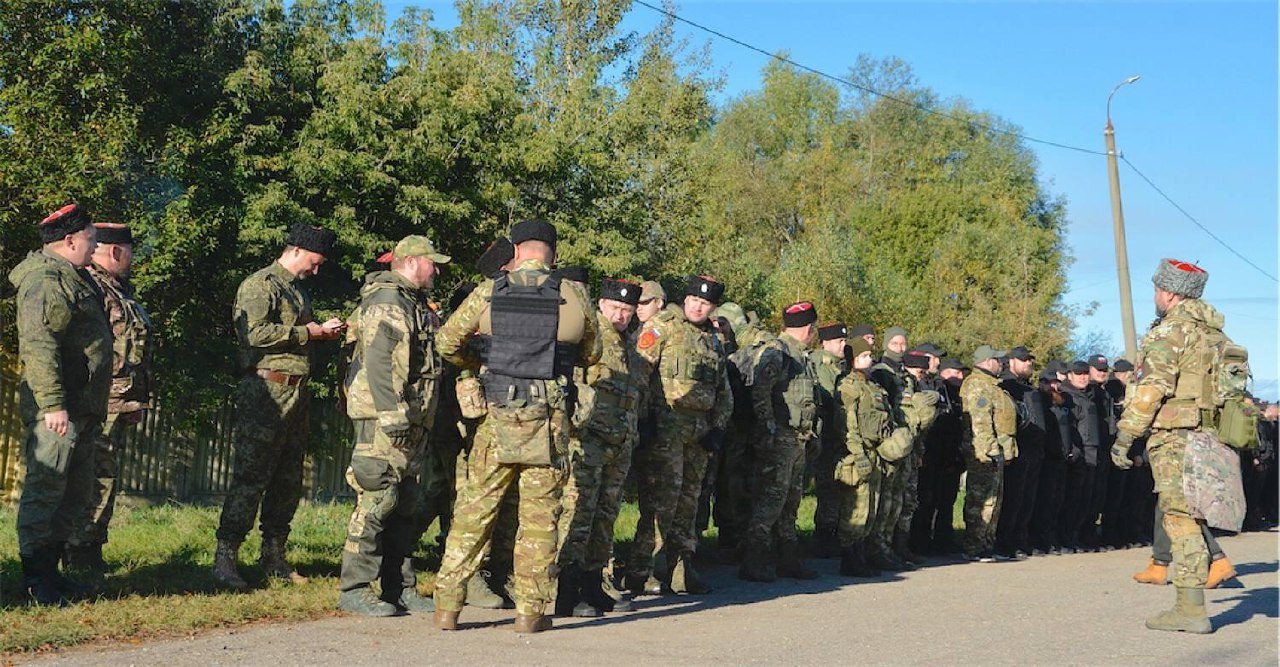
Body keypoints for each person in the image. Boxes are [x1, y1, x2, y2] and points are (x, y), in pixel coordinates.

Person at [431, 219, 600, 633]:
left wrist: (484, 359)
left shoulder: (490, 290)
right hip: (548, 421)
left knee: (474, 513)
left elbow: (445, 341)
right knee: (540, 520)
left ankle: (448, 610)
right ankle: (529, 614)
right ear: (553, 254)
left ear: (516, 250)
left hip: (497, 417)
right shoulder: (572, 293)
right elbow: (593, 353)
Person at [214, 223, 342, 591]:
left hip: (297, 393)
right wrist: (309, 333)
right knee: (251, 476)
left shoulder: (297, 290)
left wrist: (321, 332)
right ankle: (226, 557)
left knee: (288, 479)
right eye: (315, 263)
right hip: (265, 392)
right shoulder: (261, 285)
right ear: (297, 250)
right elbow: (252, 333)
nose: (316, 271)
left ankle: (273, 556)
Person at [1110, 258, 1227, 633]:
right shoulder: (1214, 334)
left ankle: (1190, 609)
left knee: (1179, 517)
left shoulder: (1169, 332)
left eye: (1158, 289)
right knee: (1193, 513)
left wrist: (1126, 436)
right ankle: (1191, 601)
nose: (1156, 296)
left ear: (1171, 293)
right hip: (1210, 435)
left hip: (1175, 436)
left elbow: (1151, 388)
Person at [336, 236, 450, 616]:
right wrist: (392, 414)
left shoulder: (411, 302)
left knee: (405, 504)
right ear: (412, 261)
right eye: (432, 262)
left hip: (411, 421)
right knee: (377, 500)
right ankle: (354, 588)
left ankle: (398, 587)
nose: (436, 269)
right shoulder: (388, 301)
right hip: (385, 420)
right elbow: (382, 364)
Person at [11, 204, 113, 605]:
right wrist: (53, 404)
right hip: (59, 409)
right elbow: (39, 346)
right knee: (46, 489)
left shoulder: (74, 277)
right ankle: (36, 581)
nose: (96, 246)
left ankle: (52, 574)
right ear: (69, 241)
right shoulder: (45, 280)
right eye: (91, 238)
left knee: (73, 493)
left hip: (81, 406)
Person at [624, 275, 733, 595]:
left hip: (700, 435)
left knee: (690, 503)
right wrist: (643, 420)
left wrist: (718, 427)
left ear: (713, 307)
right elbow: (638, 373)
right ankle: (642, 570)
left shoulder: (712, 340)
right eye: (694, 300)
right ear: (685, 299)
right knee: (661, 503)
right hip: (665, 430)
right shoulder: (662, 327)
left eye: (705, 303)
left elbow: (722, 388)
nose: (698, 306)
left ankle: (680, 567)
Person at [65, 222, 154, 573]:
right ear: (116, 251)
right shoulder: (92, 289)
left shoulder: (118, 291)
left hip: (118, 401)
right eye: (130, 253)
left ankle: (88, 549)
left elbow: (134, 351)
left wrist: (137, 399)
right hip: (98, 401)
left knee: (104, 476)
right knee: (94, 478)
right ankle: (78, 552)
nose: (133, 260)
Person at [556, 278, 646, 617]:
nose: (621, 315)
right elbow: (573, 386)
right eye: (616, 308)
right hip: (589, 443)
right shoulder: (591, 339)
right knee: (579, 516)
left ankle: (593, 586)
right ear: (603, 306)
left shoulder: (630, 346)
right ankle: (567, 591)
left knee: (606, 518)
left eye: (627, 310)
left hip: (619, 445)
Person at [738, 302, 821, 582]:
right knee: (770, 501)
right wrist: (769, 428)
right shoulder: (778, 352)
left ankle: (788, 558)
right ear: (809, 328)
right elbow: (760, 392)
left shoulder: (801, 355)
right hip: (780, 438)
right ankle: (754, 560)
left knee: (791, 501)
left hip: (798, 438)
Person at [960, 345, 1017, 562]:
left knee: (993, 501)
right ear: (986, 361)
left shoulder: (992, 385)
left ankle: (986, 543)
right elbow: (979, 421)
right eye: (997, 359)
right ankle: (974, 545)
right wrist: (990, 450)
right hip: (985, 452)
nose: (1001, 363)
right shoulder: (977, 385)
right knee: (980, 500)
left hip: (996, 451)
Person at [995, 346, 1047, 559]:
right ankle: (1006, 541)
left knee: (1027, 499)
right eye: (1024, 360)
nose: (1028, 364)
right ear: (1011, 361)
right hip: (1018, 450)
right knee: (1013, 499)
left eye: (1029, 360)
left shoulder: (1028, 388)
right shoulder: (1006, 387)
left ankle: (1021, 538)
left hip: (1035, 451)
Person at [809, 321, 850, 557]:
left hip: (836, 435)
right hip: (825, 435)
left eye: (844, 341)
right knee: (827, 485)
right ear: (825, 342)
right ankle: (823, 536)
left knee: (835, 487)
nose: (842, 345)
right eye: (838, 341)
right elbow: (829, 400)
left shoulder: (839, 366)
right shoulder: (822, 365)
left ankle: (831, 532)